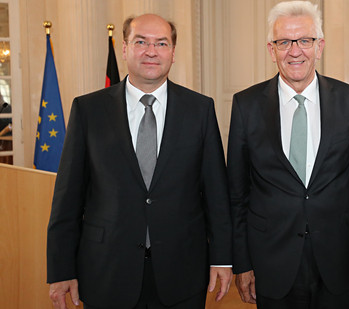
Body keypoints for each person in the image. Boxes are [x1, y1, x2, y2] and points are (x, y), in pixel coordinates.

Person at [46, 14, 232, 309]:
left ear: (173, 51)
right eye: (141, 42)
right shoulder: (88, 110)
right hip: (106, 272)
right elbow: (67, 199)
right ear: (124, 48)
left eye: (161, 43)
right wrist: (60, 269)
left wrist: (222, 258)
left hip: (182, 273)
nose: (151, 51)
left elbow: (216, 196)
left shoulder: (200, 109)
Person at [227, 1, 349, 308]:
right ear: (272, 50)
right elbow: (238, 192)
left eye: (305, 40)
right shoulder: (246, 105)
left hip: (339, 258)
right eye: (284, 41)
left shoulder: (348, 100)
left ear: (319, 46)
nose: (294, 51)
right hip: (272, 260)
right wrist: (242, 263)